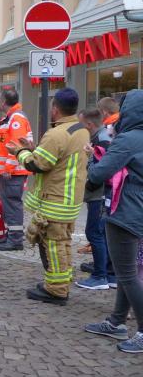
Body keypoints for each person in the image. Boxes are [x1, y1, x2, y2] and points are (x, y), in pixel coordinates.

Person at [7, 87, 89, 306]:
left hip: (55, 199)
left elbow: (38, 165)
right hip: (70, 198)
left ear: (55, 108)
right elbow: (58, 157)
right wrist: (35, 148)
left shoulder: (55, 134)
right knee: (63, 243)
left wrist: (19, 152)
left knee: (52, 245)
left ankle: (57, 290)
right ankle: (60, 282)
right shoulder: (80, 129)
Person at [83, 90, 143, 353]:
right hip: (137, 209)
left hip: (125, 210)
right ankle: (116, 321)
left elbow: (99, 174)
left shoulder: (128, 139)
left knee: (127, 275)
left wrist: (90, 160)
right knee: (125, 271)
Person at [0, 89, 33, 251]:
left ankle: (15, 239)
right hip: (10, 170)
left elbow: (17, 145)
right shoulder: (10, 118)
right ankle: (11, 234)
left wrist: (8, 167)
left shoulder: (16, 118)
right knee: (8, 204)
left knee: (13, 204)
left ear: (3, 102)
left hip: (13, 171)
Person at [76, 108, 114, 290]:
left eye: (81, 124)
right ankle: (110, 273)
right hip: (100, 193)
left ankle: (100, 276)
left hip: (99, 194)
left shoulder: (102, 140)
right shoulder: (102, 136)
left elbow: (102, 170)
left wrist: (89, 183)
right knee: (103, 234)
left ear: (89, 124)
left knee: (94, 233)